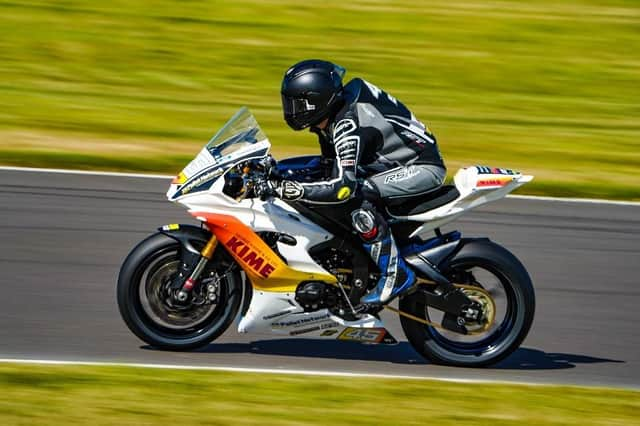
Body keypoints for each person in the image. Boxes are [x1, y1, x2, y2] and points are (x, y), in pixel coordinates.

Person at [269, 59, 446, 307]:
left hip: (420, 168)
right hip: (389, 164)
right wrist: (276, 170)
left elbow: (342, 187)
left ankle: (395, 274)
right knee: (319, 178)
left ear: (315, 101)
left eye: (296, 103)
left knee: (355, 197)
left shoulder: (346, 123)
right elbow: (325, 164)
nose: (290, 109)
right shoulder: (331, 116)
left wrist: (287, 189)